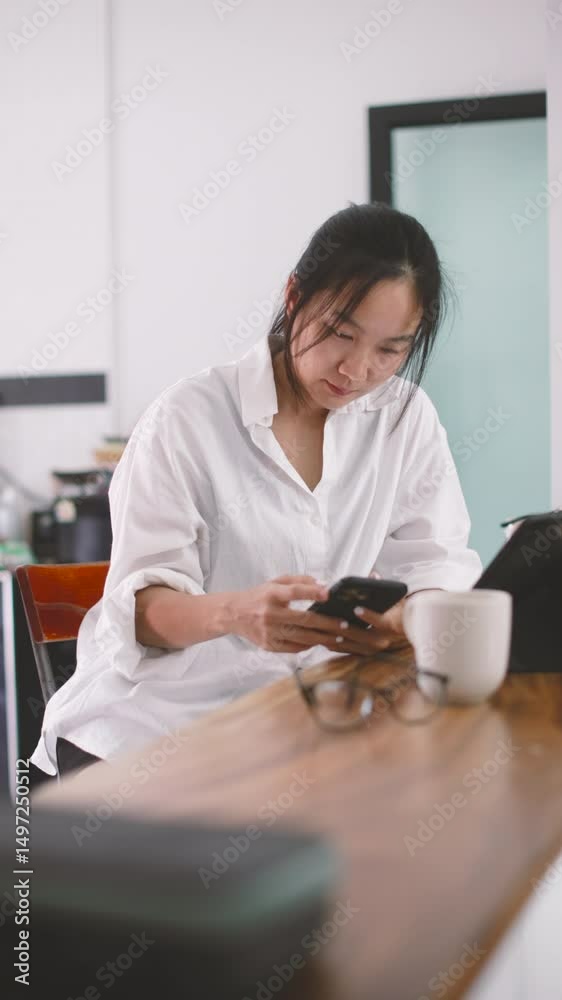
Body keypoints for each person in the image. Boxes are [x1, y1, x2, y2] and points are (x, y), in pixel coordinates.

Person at [31, 201, 481, 777]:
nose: (356, 369)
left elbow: (437, 565)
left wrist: (406, 618)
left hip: (296, 722)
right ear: (294, 296)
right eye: (339, 333)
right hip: (149, 732)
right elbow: (140, 613)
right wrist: (236, 614)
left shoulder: (403, 418)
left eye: (390, 350)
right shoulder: (188, 417)